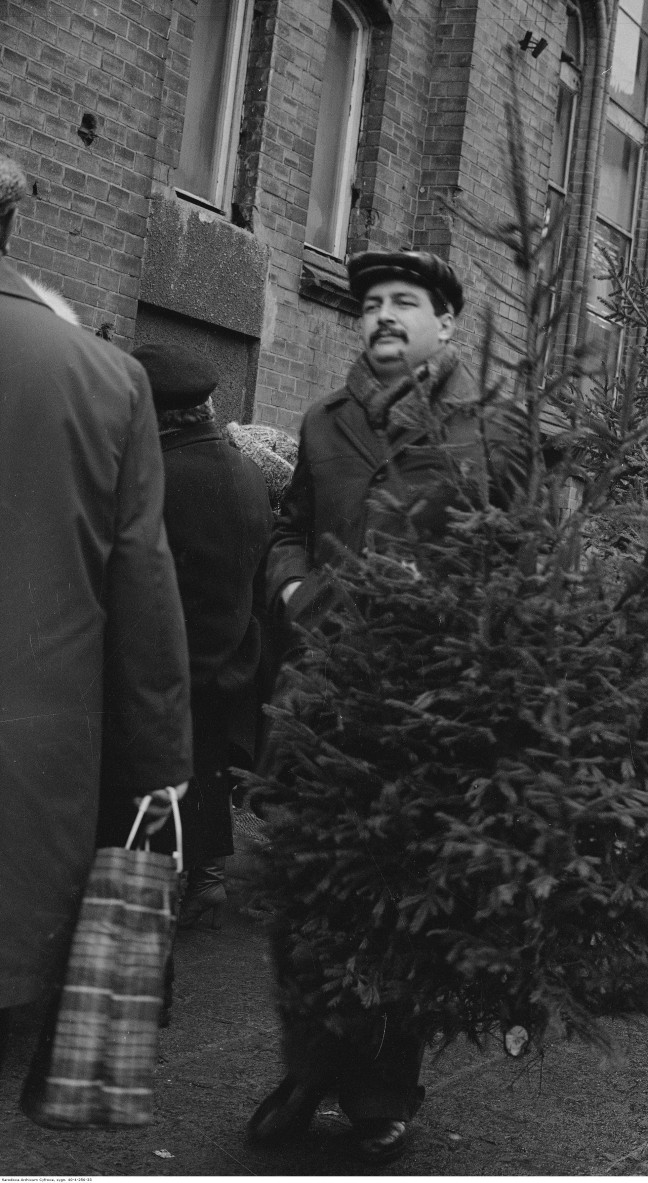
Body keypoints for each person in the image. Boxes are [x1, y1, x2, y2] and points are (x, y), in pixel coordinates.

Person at [253, 249, 521, 1164]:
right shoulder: (324, 424)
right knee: (302, 892)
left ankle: (380, 1089)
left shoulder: (487, 433)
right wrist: (291, 587)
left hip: (422, 705)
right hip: (318, 693)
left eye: (405, 302)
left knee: (396, 900)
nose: (383, 316)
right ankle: (304, 1069)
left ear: (447, 324)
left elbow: (515, 563)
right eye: (371, 303)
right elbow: (291, 525)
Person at [0, 155, 191, 1082]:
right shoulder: (108, 380)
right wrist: (160, 767)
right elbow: (141, 584)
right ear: (10, 229)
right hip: (28, 787)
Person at [131, 345, 273, 927]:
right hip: (235, 650)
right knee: (209, 762)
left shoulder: (156, 476)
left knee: (158, 770)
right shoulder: (247, 472)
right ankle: (209, 876)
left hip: (171, 653)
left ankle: (156, 888)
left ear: (159, 413)